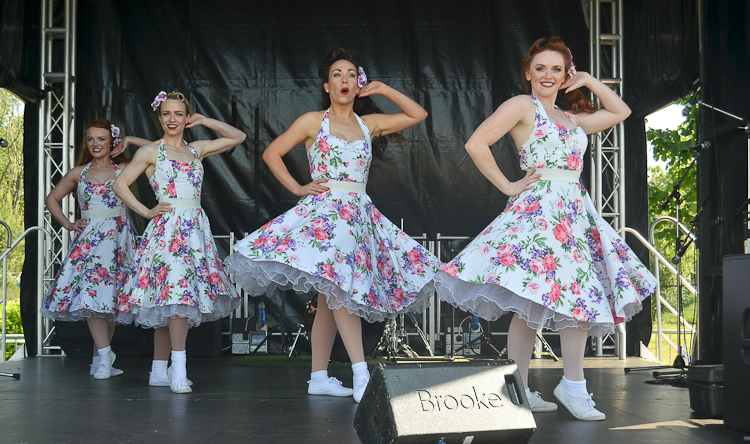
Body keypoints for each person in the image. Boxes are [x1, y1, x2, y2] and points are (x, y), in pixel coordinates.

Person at [435, 37, 657, 421]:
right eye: (541, 68)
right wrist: (509, 185)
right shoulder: (524, 106)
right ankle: (560, 388)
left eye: (557, 69)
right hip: (540, 213)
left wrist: (587, 80)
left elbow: (621, 111)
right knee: (545, 302)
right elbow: (476, 143)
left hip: (574, 213)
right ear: (528, 73)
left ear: (566, 74)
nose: (549, 75)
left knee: (551, 302)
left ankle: (534, 390)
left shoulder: (571, 119)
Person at [225, 48, 438, 403]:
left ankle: (319, 377)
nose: (345, 80)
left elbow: (419, 114)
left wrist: (383, 89)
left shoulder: (368, 124)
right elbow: (271, 152)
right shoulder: (313, 121)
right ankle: (360, 372)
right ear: (327, 85)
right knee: (340, 289)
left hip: (358, 215)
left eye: (352, 75)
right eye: (338, 75)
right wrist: (297, 187)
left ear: (359, 84)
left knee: (329, 298)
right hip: (326, 215)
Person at [113, 91, 245, 394]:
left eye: (178, 114)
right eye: (166, 114)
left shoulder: (196, 149)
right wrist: (146, 211)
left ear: (186, 118)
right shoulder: (149, 151)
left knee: (172, 300)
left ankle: (159, 370)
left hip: (194, 229)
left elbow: (238, 136)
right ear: (159, 118)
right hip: (167, 231)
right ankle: (179, 367)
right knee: (174, 297)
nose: (172, 120)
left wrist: (205, 120)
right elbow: (120, 184)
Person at [41, 118, 137, 379]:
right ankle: (106, 355)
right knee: (92, 296)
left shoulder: (124, 168)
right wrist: (70, 225)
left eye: (102, 139)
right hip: (92, 240)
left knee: (113, 300)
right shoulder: (78, 172)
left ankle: (99, 361)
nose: (95, 144)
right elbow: (51, 199)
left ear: (112, 142)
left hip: (119, 239)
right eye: (91, 139)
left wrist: (129, 141)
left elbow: (157, 151)